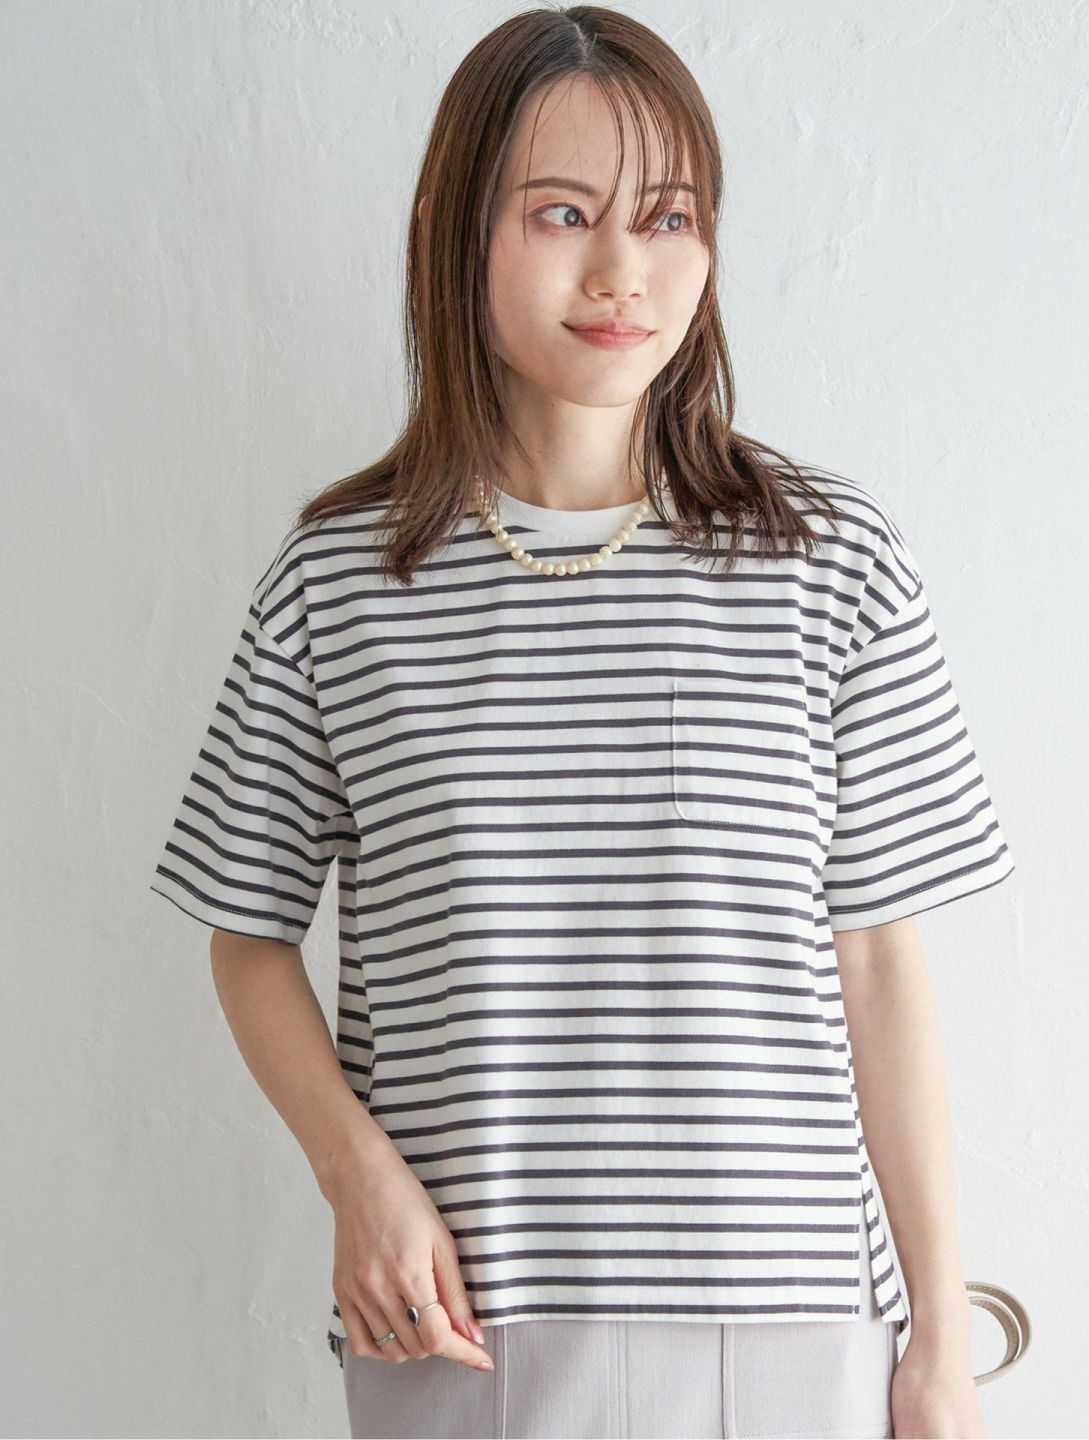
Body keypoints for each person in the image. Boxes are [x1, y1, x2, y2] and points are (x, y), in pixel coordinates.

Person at [149, 6, 1015, 1438]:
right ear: (454, 231)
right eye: (562, 213)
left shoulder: (830, 562)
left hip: (792, 1314)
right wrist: (357, 1179)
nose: (623, 271)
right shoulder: (340, 581)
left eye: (668, 218)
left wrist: (938, 1335)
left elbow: (878, 961)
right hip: (461, 1316)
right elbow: (245, 934)